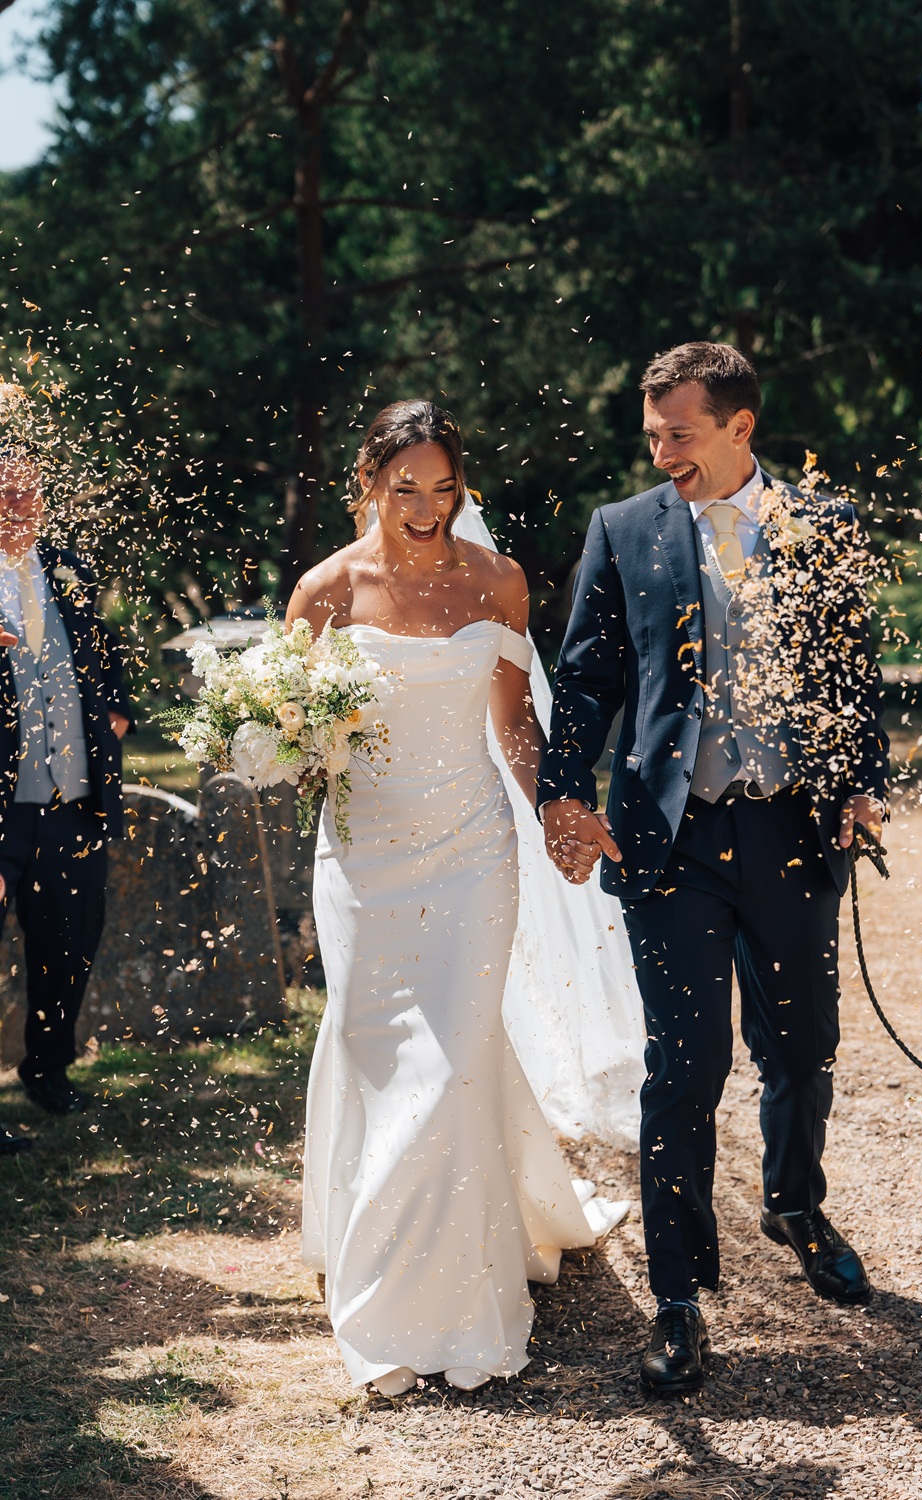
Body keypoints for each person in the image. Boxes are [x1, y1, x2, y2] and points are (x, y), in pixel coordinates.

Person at [538, 342, 889, 1394]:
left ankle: (793, 1201)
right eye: (650, 434)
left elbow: (854, 676)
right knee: (683, 1071)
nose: (661, 452)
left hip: (794, 832)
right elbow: (587, 676)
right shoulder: (624, 530)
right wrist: (562, 791)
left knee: (804, 1049)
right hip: (672, 842)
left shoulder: (825, 526)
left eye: (678, 433)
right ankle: (680, 1299)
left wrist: (865, 780)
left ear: (740, 426)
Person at [286, 400, 626, 1399]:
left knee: (450, 1065)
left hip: (473, 851)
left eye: (443, 488)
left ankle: (429, 1300)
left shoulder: (498, 582)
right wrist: (285, 743)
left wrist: (557, 815)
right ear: (370, 486)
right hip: (361, 858)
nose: (426, 506)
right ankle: (384, 1270)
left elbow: (514, 727)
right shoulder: (324, 590)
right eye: (405, 488)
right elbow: (288, 722)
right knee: (377, 1053)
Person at [0, 440, 133, 1137]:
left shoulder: (69, 569)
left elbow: (107, 658)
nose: (17, 505)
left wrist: (118, 708)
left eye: (29, 491)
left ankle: (47, 1069)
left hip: (73, 800)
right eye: (4, 491)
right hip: (2, 809)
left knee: (69, 943)